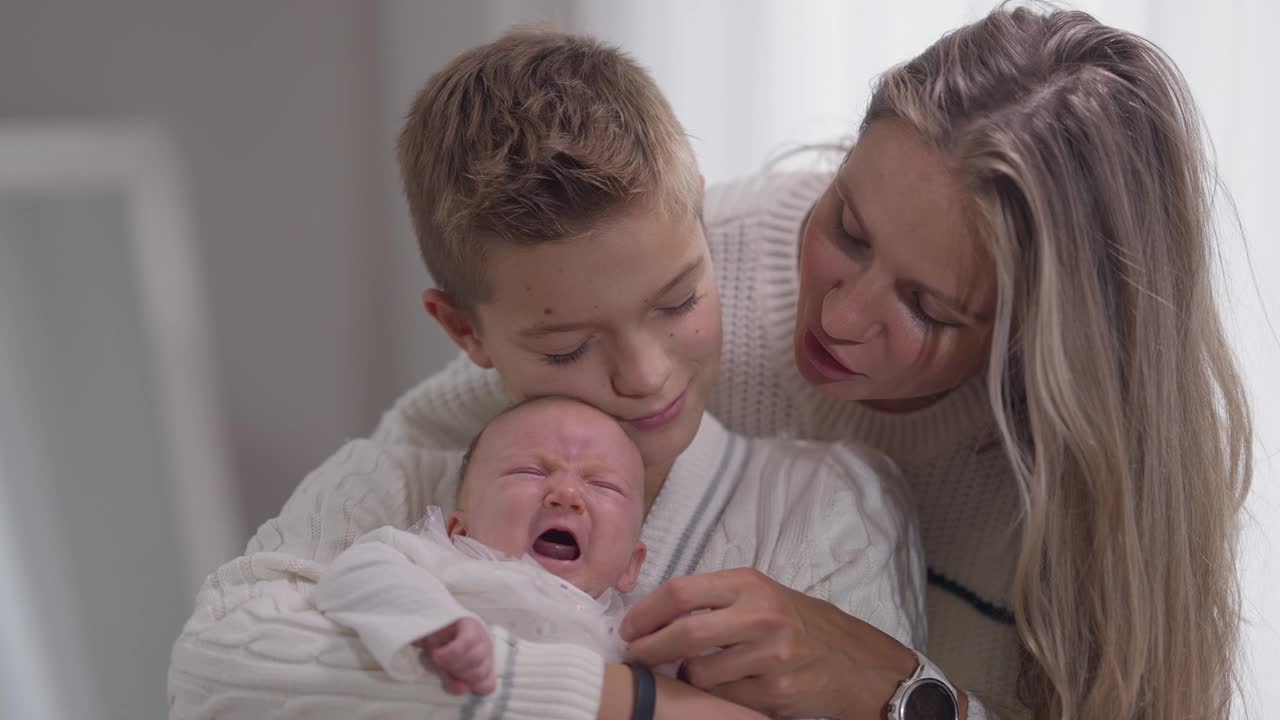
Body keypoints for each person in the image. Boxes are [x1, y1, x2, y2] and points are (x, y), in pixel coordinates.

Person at [299, 6, 1251, 720]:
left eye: (927, 308)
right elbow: (255, 628)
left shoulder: (1094, 477)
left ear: (1036, 339)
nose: (836, 313)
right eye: (845, 226)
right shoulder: (689, 270)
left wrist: (898, 694)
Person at [167, 28, 924, 720]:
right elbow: (211, 671)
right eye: (567, 348)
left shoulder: (823, 510)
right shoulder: (392, 491)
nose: (646, 374)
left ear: (705, 230)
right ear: (465, 331)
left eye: (679, 300)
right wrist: (634, 703)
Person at [312, 397, 650, 693]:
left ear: (631, 567)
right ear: (460, 530)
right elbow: (355, 570)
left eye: (602, 485)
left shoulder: (631, 634)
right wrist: (435, 622)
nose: (567, 494)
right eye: (530, 471)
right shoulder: (439, 564)